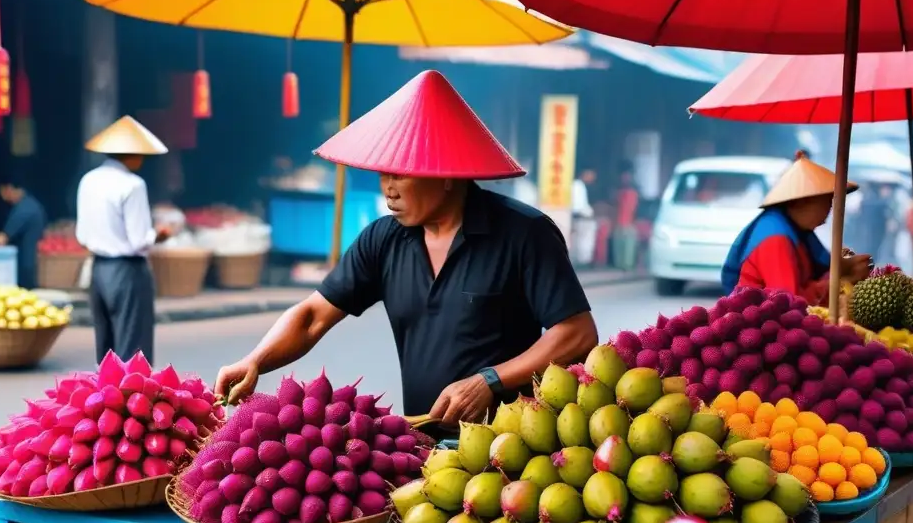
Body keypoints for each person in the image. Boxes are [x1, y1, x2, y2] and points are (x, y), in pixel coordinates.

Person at [216, 70, 598, 427]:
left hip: (513, 446)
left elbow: (578, 333)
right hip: (423, 442)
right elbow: (312, 316)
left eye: (401, 172)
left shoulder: (524, 234)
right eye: (384, 173)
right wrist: (255, 361)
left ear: (446, 174)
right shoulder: (383, 239)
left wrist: (489, 381)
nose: (388, 187)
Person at [75, 116, 171, 365]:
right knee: (132, 349)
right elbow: (140, 239)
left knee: (106, 350)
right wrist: (159, 234)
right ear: (132, 154)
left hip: (99, 270)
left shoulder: (89, 180)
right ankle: (130, 401)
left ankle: (104, 399)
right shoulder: (133, 185)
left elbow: (82, 236)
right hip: (127, 271)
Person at [721, 150, 871, 304]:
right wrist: (840, 282)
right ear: (801, 201)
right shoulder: (775, 239)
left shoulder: (797, 232)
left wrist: (845, 267)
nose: (829, 210)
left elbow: (814, 275)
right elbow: (789, 303)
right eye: (827, 201)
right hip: (764, 323)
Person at [0, 177, 47, 289]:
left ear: (8, 189)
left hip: (24, 266)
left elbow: (1, 239)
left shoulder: (24, 210)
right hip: (28, 263)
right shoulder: (30, 204)